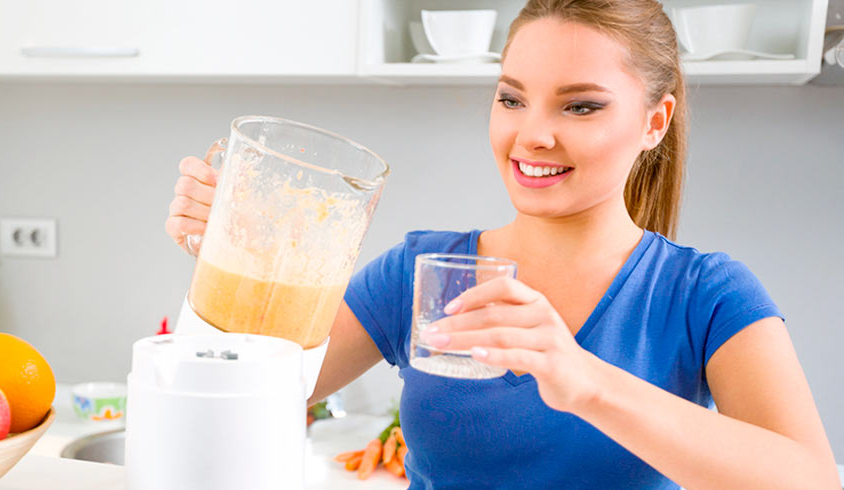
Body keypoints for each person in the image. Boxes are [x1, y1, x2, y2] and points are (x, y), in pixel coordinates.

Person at [164, 0, 838, 488]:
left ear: (653, 122)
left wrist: (582, 380)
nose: (532, 135)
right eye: (512, 99)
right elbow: (233, 394)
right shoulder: (420, 275)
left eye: (580, 106)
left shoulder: (705, 296)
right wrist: (235, 260)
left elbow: (808, 480)